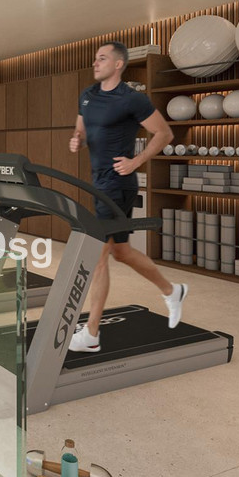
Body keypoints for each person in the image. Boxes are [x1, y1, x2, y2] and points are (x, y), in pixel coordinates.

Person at [67, 41, 187, 353]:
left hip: (118, 184)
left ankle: (91, 334)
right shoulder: (88, 95)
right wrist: (77, 139)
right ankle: (171, 290)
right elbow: (82, 129)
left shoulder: (132, 99)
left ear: (118, 64)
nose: (96, 63)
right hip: (98, 182)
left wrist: (136, 161)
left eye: (102, 58)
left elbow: (164, 133)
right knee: (121, 252)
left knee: (97, 255)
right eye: (95, 58)